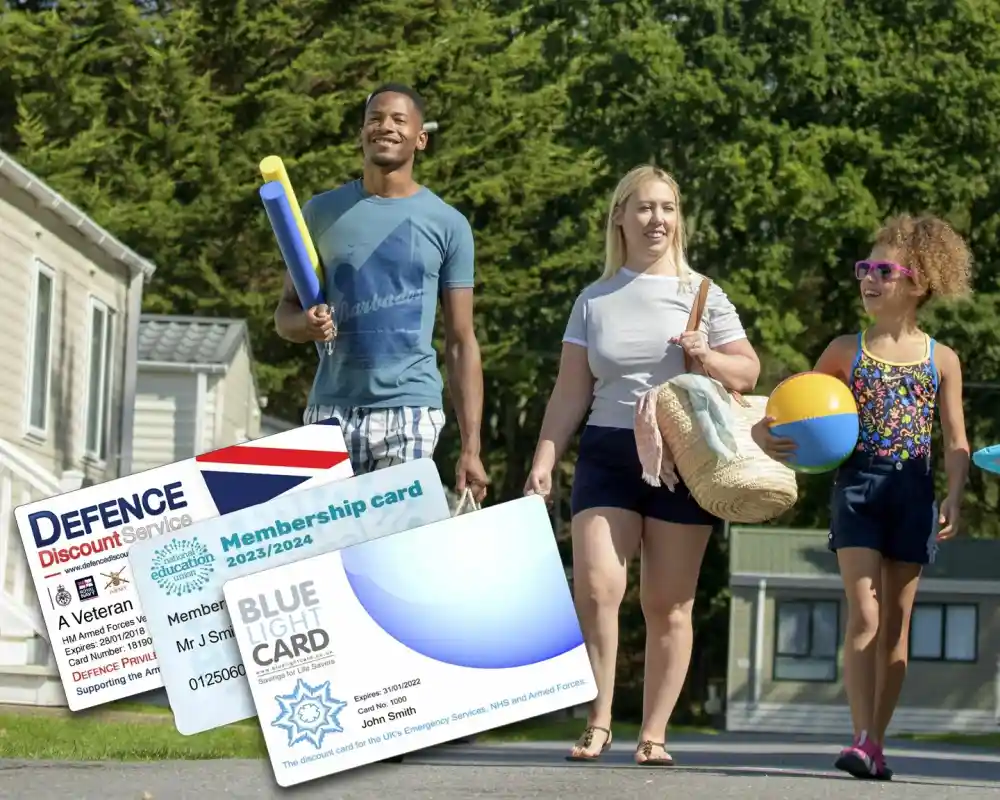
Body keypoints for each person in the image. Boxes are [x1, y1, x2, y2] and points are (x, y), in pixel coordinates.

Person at [525, 165, 760, 765]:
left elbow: (749, 373)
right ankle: (599, 718)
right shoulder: (594, 299)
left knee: (669, 603)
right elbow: (569, 392)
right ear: (620, 218)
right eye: (645, 208)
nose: (658, 220)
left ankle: (653, 733)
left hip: (688, 454)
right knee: (599, 586)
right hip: (608, 449)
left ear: (678, 219)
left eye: (668, 209)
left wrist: (706, 354)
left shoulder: (703, 293)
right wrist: (545, 460)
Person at [752, 214, 972, 781]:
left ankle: (876, 741)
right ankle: (859, 737)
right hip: (858, 487)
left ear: (919, 282)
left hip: (913, 490)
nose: (868, 279)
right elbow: (790, 407)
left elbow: (955, 440)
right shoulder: (845, 350)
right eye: (864, 269)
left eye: (883, 270)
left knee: (896, 628)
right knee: (866, 615)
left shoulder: (941, 359)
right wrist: (763, 432)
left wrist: (955, 494)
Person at [273, 82, 489, 503]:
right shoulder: (320, 212)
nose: (384, 127)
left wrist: (471, 447)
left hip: (410, 412)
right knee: (331, 552)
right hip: (329, 413)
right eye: (375, 119)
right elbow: (285, 315)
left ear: (420, 138)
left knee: (391, 551)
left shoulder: (449, 225)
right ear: (362, 133)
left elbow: (462, 341)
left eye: (398, 120)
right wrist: (306, 325)